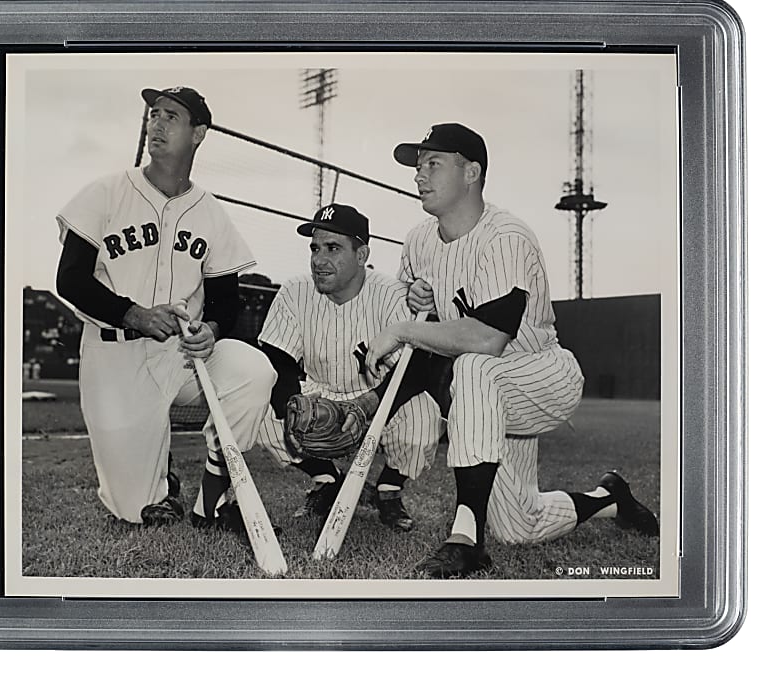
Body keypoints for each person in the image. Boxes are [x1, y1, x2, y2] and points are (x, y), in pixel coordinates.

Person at [364, 123, 659, 577]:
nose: (419, 175)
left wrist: (402, 328)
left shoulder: (506, 237)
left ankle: (465, 539)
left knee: (476, 367)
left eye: (433, 164)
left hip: (540, 373)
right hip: (483, 400)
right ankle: (609, 497)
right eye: (418, 166)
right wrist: (416, 302)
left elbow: (487, 339)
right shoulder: (419, 240)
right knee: (519, 525)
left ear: (472, 172)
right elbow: (433, 328)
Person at [55, 85, 276, 531]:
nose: (156, 122)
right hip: (115, 351)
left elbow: (225, 298)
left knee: (255, 372)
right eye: (154, 113)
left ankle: (213, 491)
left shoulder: (210, 212)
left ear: (199, 133)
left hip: (183, 356)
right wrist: (133, 314)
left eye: (171, 115)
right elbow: (70, 280)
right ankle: (160, 476)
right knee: (137, 509)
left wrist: (212, 328)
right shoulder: (106, 192)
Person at [254, 203, 443, 531]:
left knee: (423, 418)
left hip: (380, 396)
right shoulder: (296, 290)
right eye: (314, 248)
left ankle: (388, 490)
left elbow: (416, 370)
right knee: (258, 410)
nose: (318, 260)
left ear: (361, 254)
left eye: (332, 248)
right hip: (319, 393)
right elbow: (277, 358)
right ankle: (326, 479)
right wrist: (292, 407)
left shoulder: (390, 293)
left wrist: (369, 404)